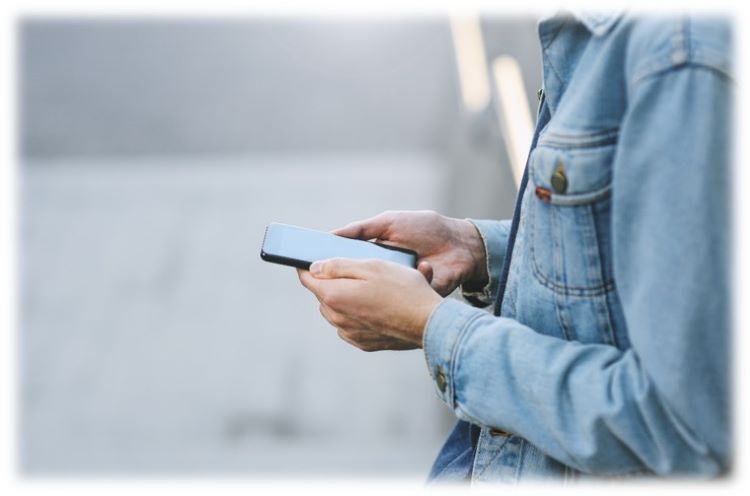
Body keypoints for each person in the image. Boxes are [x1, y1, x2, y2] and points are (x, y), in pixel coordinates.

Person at [296, 11, 732, 482]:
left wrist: (435, 328)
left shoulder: (678, 55)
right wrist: (476, 248)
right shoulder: (588, 36)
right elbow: (639, 243)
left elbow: (686, 428)